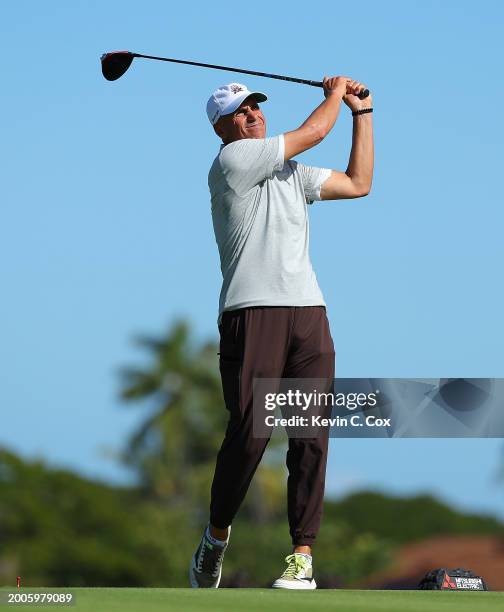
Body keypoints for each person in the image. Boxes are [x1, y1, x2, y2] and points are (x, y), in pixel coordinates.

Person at [189, 76, 374, 589]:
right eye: (240, 112)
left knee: (311, 436)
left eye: (256, 107)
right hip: (253, 312)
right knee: (251, 433)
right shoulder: (232, 163)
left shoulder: (291, 172)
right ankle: (216, 537)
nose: (253, 115)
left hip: (307, 313)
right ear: (222, 127)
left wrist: (363, 114)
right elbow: (314, 130)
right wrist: (336, 93)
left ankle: (302, 555)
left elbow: (359, 183)